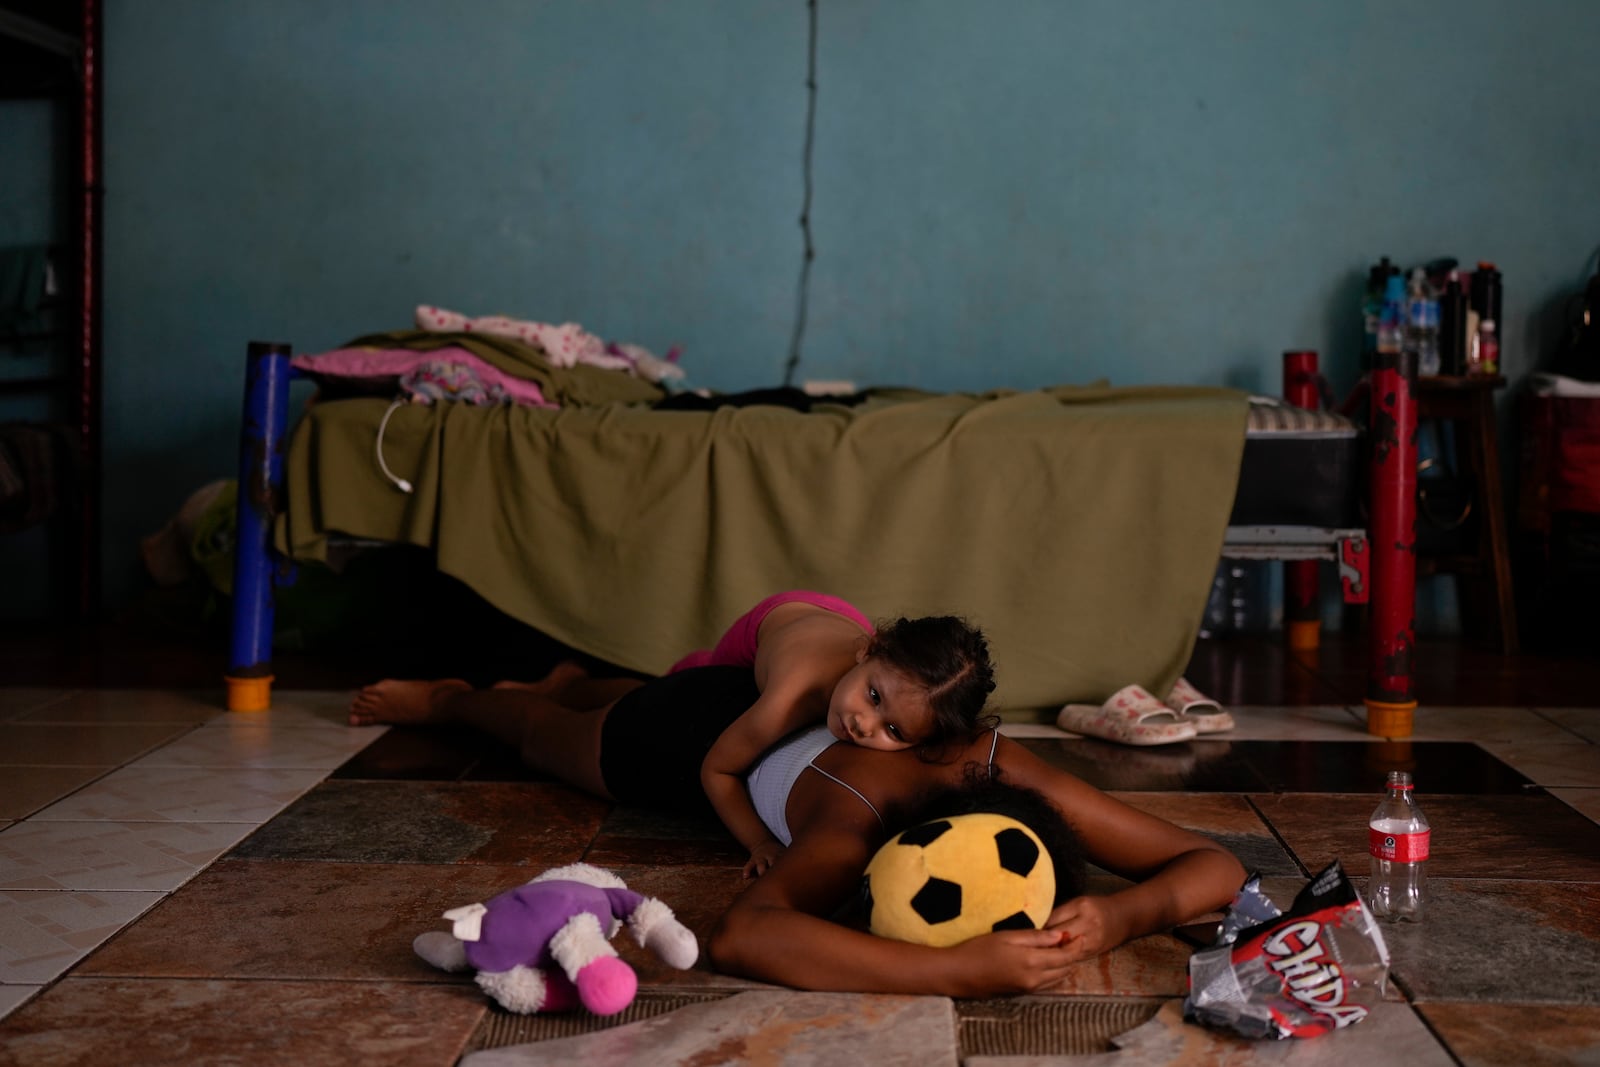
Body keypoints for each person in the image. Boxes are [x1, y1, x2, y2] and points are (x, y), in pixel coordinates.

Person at [347, 662, 1246, 997]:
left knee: (607, 687)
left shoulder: (1010, 770)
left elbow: (1213, 864)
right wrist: (952, 969)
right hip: (688, 735)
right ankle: (459, 697)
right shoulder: (852, 828)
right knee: (552, 732)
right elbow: (744, 933)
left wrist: (1128, 915)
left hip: (753, 719)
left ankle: (564, 678)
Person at [670, 591, 998, 877]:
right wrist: (760, 842)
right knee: (704, 678)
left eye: (894, 730)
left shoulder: (885, 676)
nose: (863, 725)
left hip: (841, 626)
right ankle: (683, 668)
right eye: (873, 697)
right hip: (778, 617)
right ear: (868, 651)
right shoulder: (789, 697)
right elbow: (717, 770)